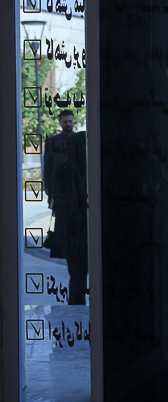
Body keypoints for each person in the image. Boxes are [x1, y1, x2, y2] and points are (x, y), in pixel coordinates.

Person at [42, 109, 88, 305]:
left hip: (72, 216)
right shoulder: (53, 143)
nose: (68, 124)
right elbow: (48, 168)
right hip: (68, 210)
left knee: (77, 265)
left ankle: (77, 298)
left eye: (70, 121)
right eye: (65, 121)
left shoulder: (83, 164)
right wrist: (50, 195)